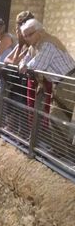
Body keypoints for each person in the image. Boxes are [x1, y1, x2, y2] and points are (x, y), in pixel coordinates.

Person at [20, 19, 75, 157]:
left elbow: (36, 65)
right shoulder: (35, 46)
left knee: (56, 115)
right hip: (60, 83)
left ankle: (62, 151)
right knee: (59, 116)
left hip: (68, 81)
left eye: (29, 35)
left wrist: (24, 66)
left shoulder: (47, 44)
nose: (27, 38)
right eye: (25, 36)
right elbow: (25, 60)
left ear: (39, 32)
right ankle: (62, 150)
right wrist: (23, 64)